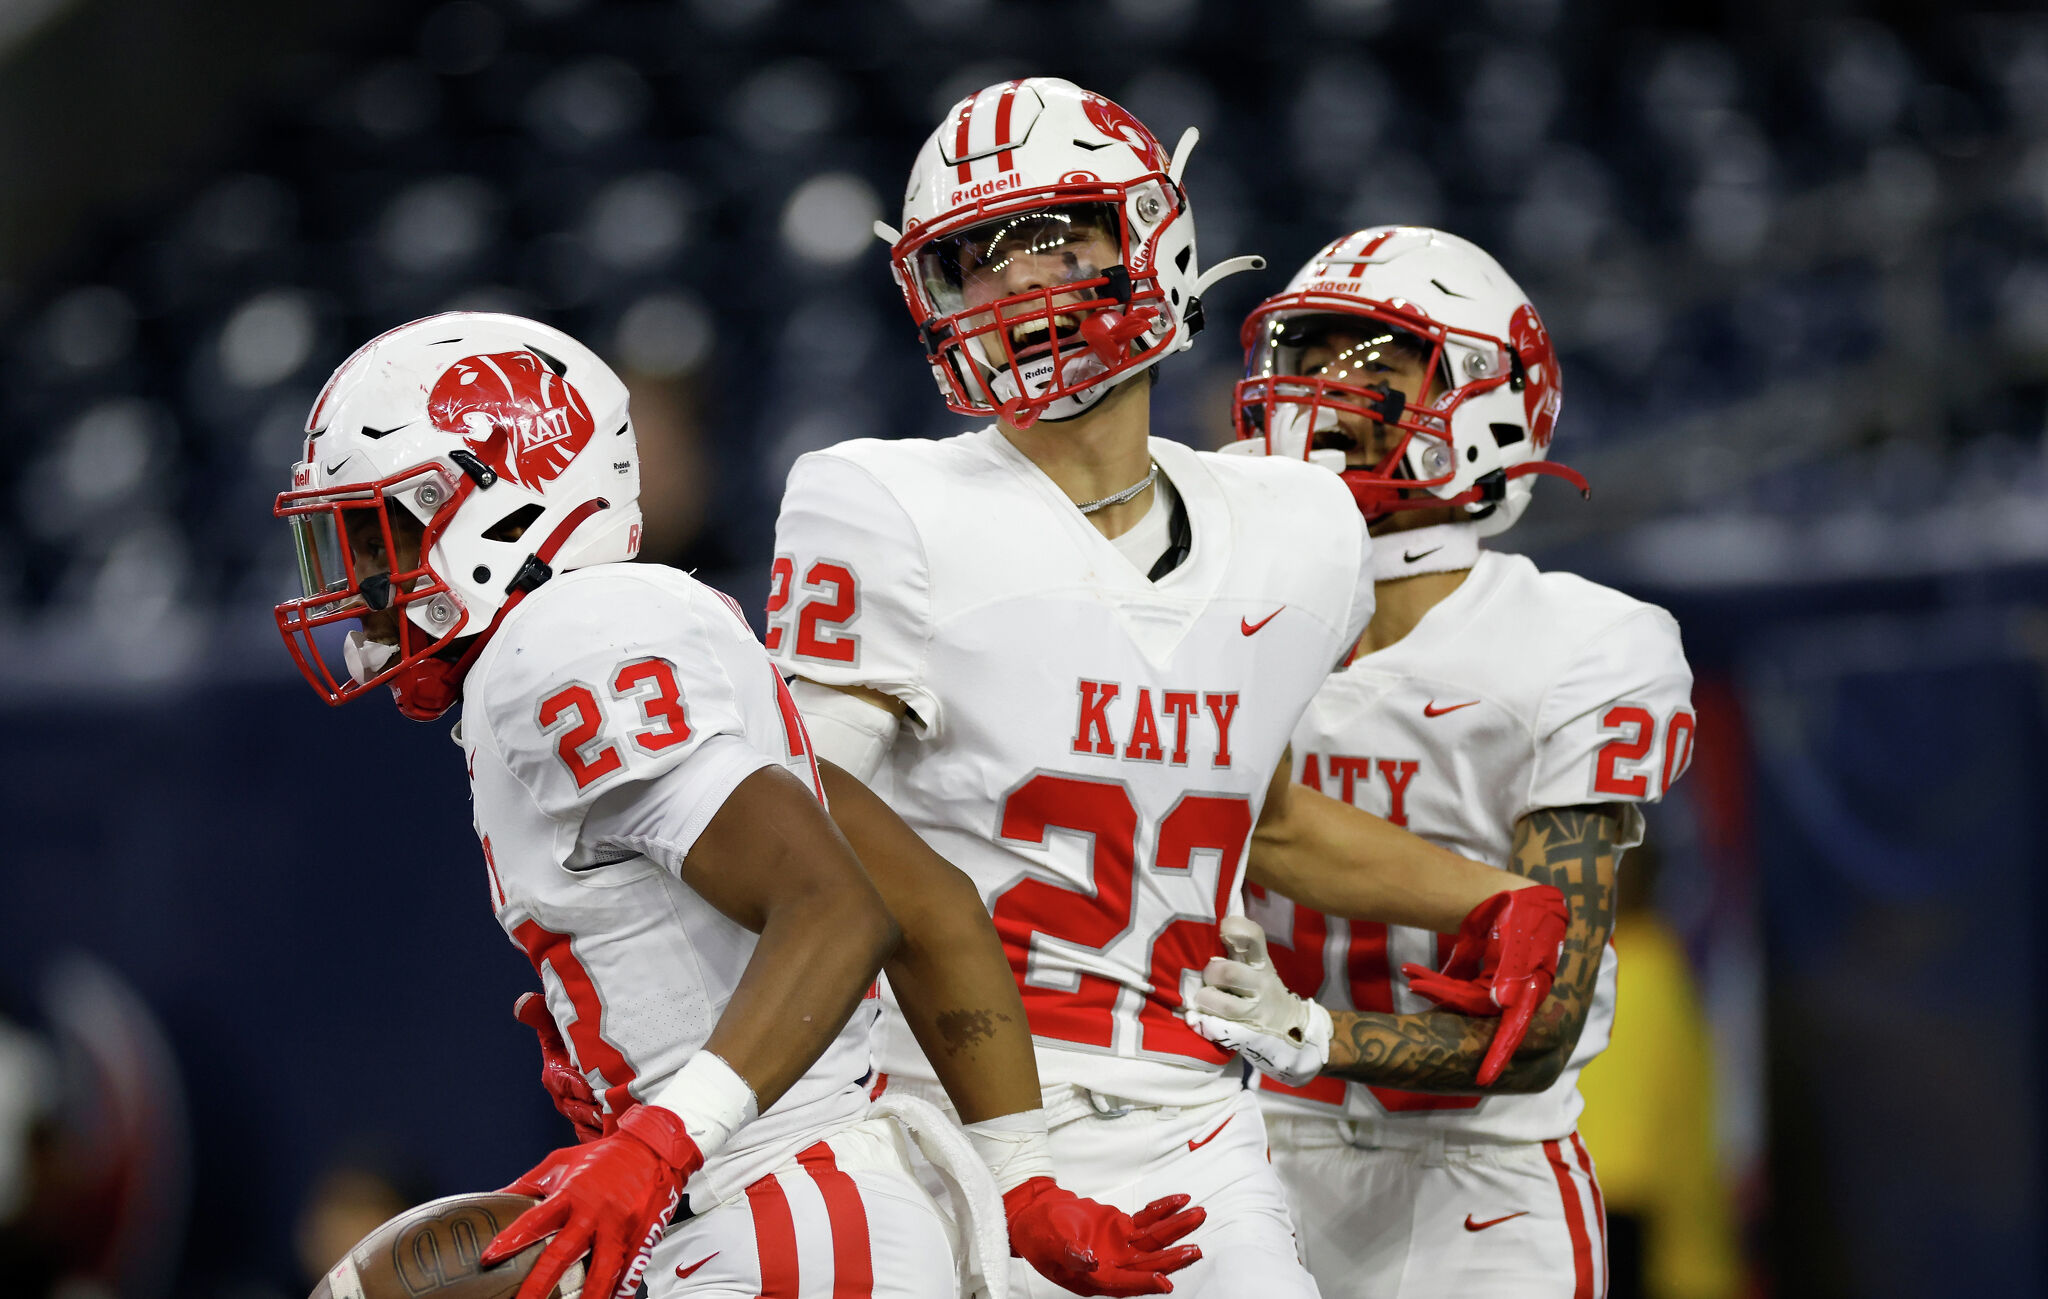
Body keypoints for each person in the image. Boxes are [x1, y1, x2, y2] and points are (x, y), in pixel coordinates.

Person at [767, 81, 1566, 1299]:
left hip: (1195, 1118)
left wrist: (1487, 896)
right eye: (970, 263)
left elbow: (1273, 817)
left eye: (1052, 240)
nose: (1013, 288)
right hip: (943, 1119)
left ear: (1152, 238)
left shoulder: (1296, 527)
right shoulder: (880, 504)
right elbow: (794, 828)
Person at [272, 313, 1206, 1299]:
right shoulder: (630, 629)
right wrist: (1021, 1183)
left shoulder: (563, 641)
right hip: (791, 1209)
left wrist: (654, 1141)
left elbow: (839, 910)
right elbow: (931, 905)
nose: (365, 586)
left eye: (387, 532)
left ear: (507, 504)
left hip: (775, 1213)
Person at [1185, 226, 1698, 1299]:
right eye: (1305, 355)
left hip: (1479, 1183)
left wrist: (1314, 1032)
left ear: (1484, 398)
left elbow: (1537, 1024)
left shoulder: (1579, 644)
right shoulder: (1215, 609)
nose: (1320, 390)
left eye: (1369, 359)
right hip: (1239, 1152)